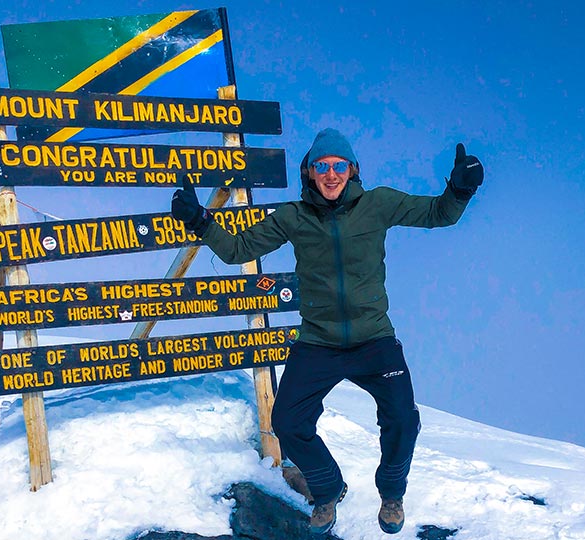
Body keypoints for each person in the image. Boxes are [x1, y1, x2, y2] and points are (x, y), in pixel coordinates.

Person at [171, 128, 484, 536]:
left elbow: (439, 214)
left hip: (375, 340)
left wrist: (460, 190)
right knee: (287, 421)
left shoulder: (379, 204)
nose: (331, 174)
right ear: (309, 172)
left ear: (352, 170)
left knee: (403, 419)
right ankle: (328, 488)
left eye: (339, 166)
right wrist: (199, 221)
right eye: (322, 166)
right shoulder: (292, 216)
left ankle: (391, 493)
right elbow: (237, 251)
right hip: (319, 342)